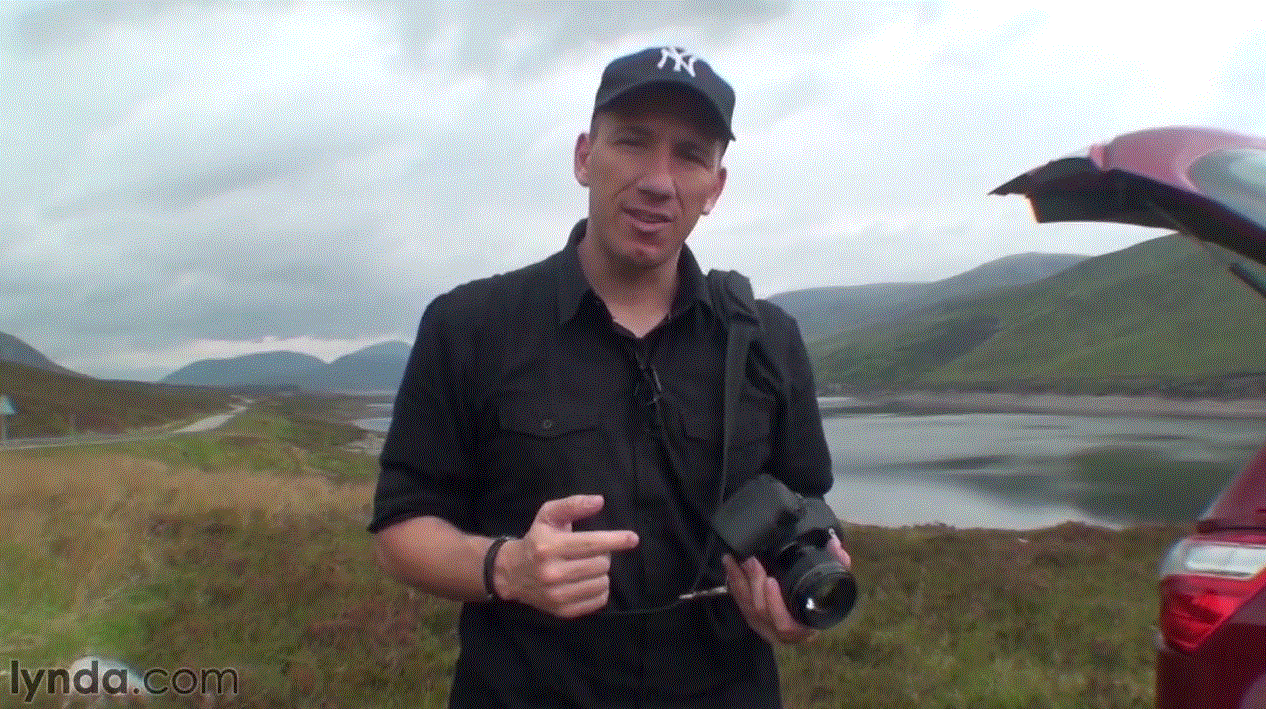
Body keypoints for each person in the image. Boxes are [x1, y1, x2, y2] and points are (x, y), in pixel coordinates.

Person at [369, 45, 850, 708]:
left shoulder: (771, 341)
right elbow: (400, 532)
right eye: (632, 141)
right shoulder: (469, 326)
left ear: (716, 186)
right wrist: (505, 568)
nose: (659, 179)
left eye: (690, 154)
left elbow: (810, 510)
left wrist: (799, 590)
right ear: (583, 157)